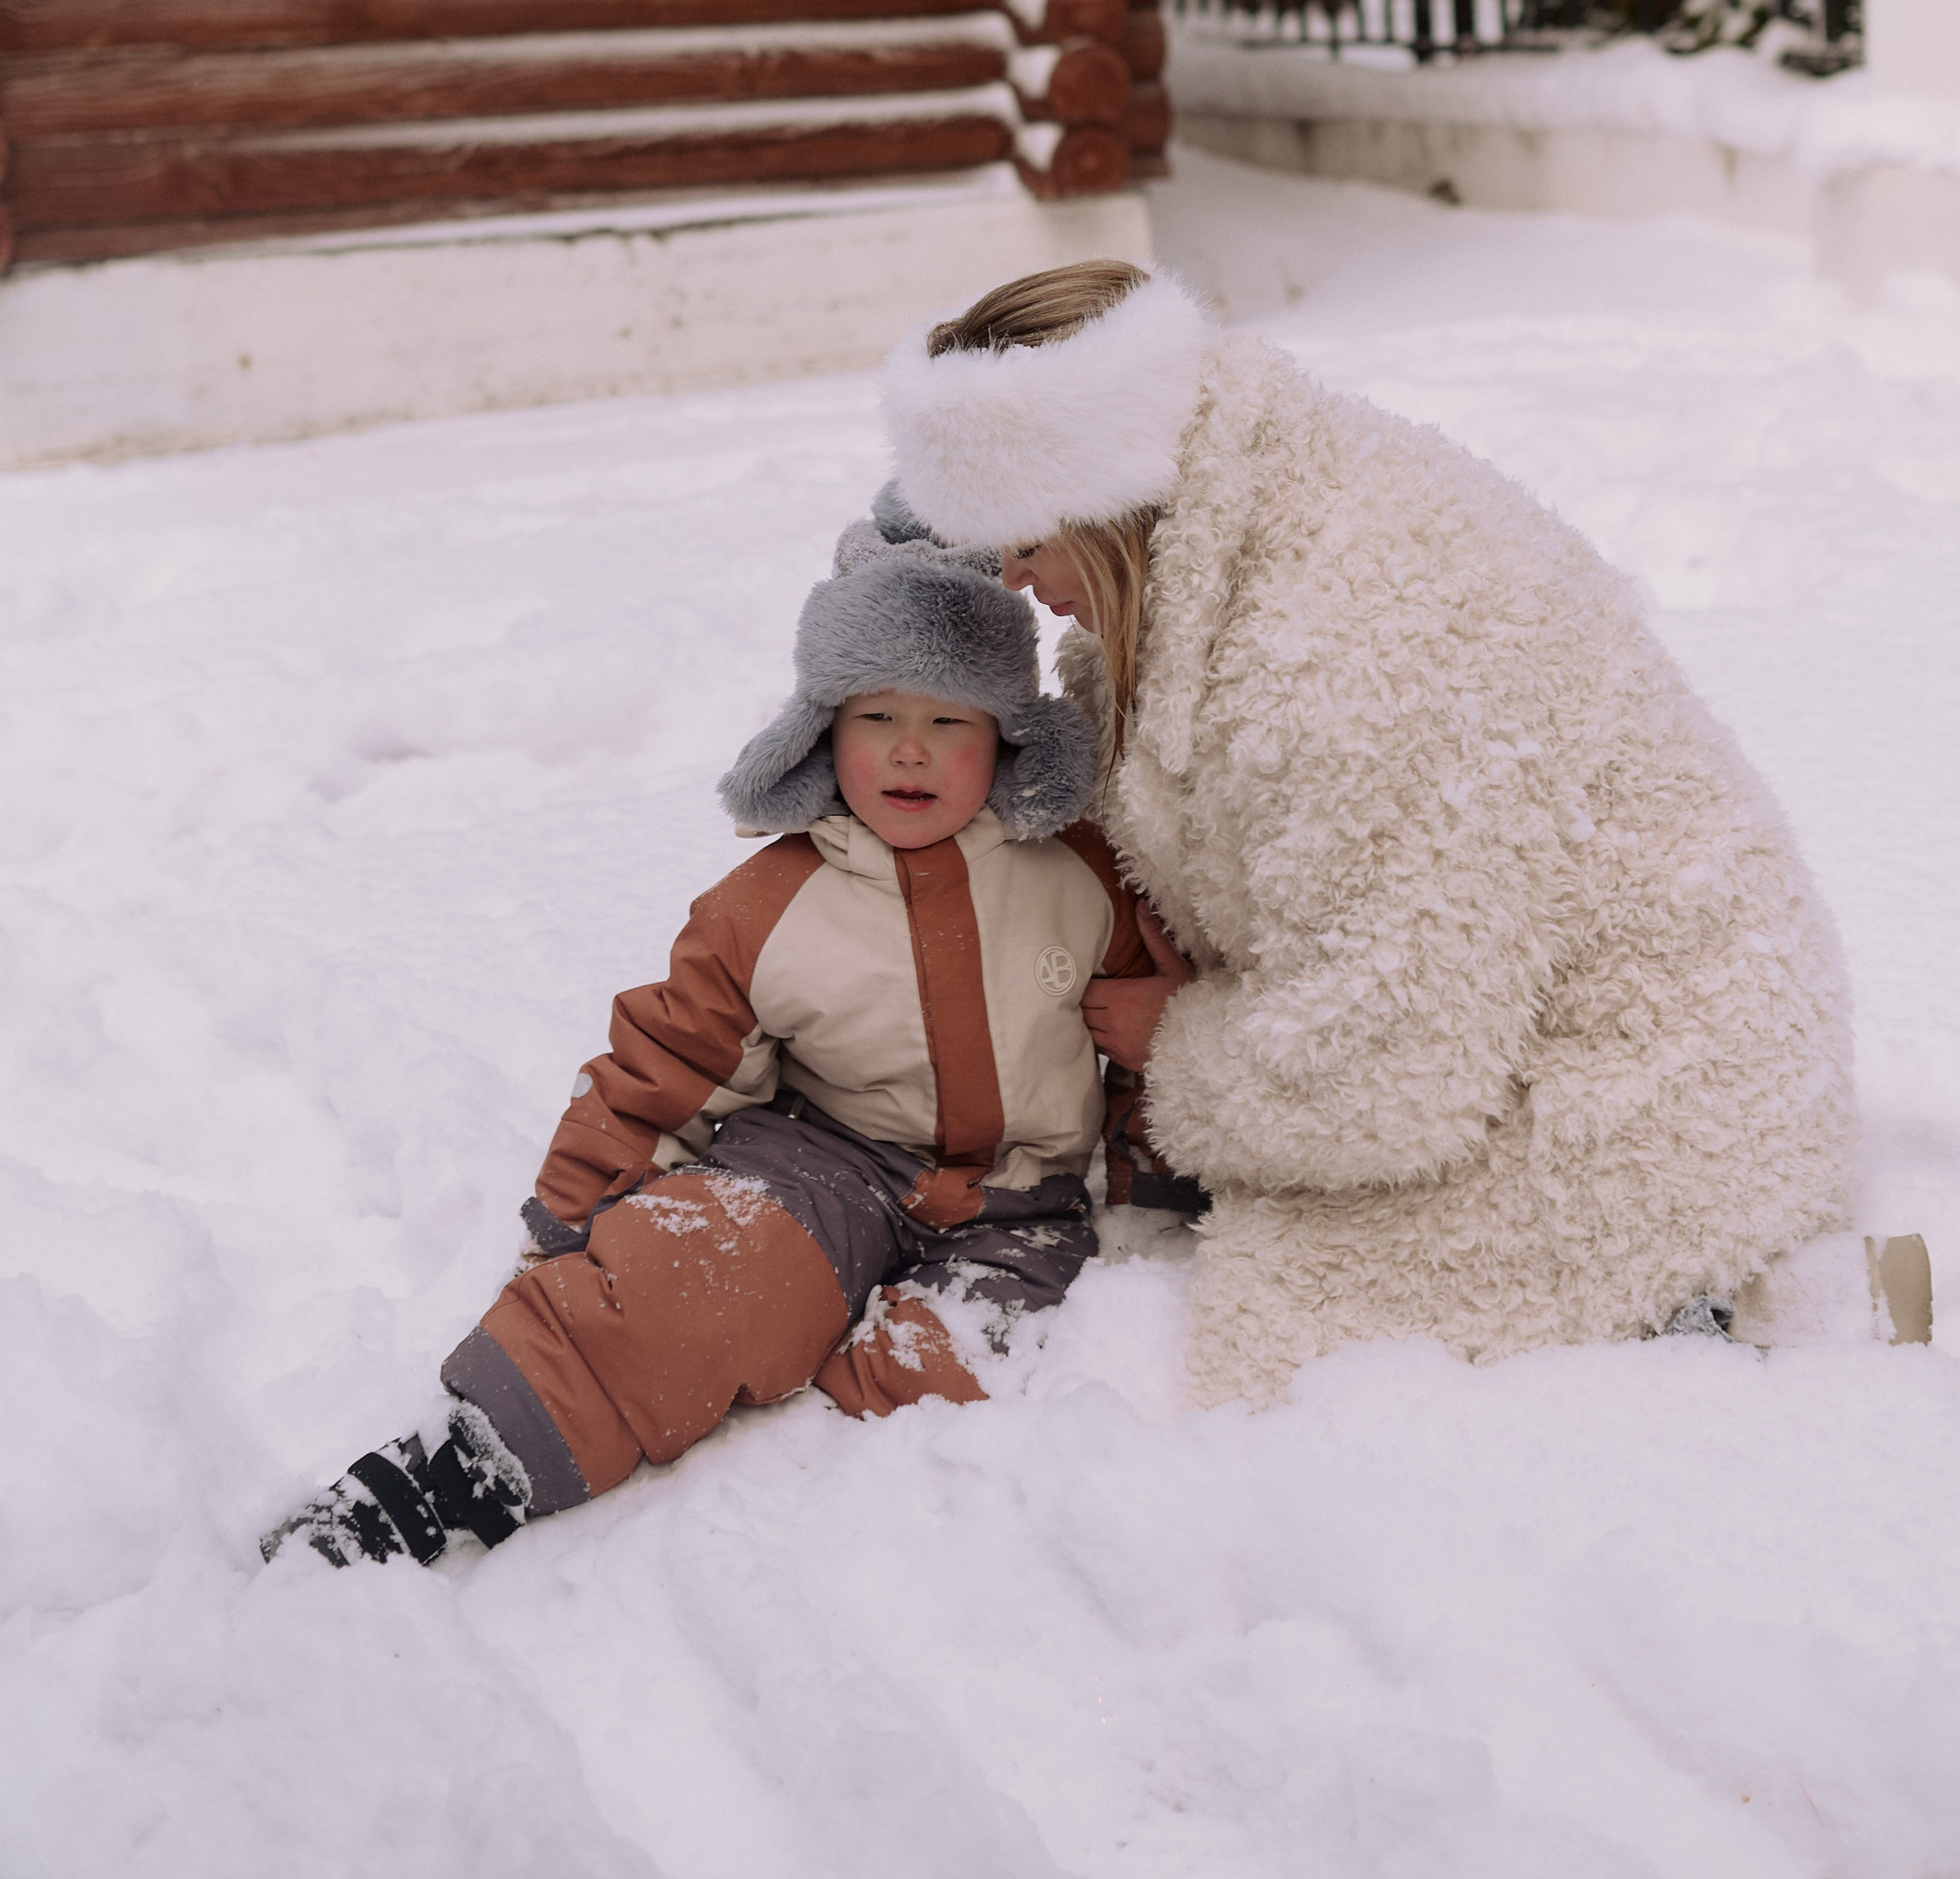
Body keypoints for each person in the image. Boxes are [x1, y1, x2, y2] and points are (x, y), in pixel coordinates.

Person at [878, 258, 1863, 1404]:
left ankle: (1714, 1308)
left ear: (1100, 488)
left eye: (1026, 539)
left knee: (1287, 1344)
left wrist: (1179, 1046)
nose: (1013, 577)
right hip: (1520, 1012)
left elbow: (1396, 1065)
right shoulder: (1201, 530)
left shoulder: (1345, 652)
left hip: (1656, 1086)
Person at [263, 511, 1188, 1569]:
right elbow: (663, 1063)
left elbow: (1145, 1056)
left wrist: (1151, 1167)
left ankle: (812, 1462)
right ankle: (454, 1471)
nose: (910, 748)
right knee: (694, 1279)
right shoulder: (765, 905)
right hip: (825, 1161)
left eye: (952, 718)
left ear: (1012, 735)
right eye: (876, 712)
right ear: (821, 730)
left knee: (963, 1362)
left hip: (1021, 1199)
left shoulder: (1081, 875)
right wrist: (575, 1206)